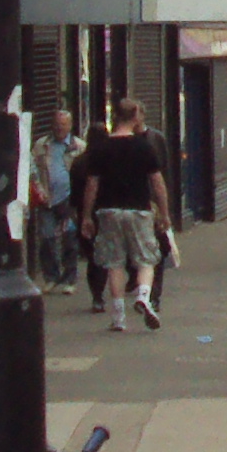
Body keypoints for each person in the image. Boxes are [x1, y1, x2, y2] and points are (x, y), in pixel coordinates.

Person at [80, 101, 173, 333]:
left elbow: (91, 185)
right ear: (133, 117)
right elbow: (157, 183)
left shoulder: (100, 148)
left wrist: (86, 216)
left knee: (115, 263)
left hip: (108, 212)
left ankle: (118, 317)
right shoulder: (144, 147)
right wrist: (164, 213)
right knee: (147, 259)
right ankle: (143, 295)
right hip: (139, 210)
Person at [31, 111, 79, 293]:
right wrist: (38, 190)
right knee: (47, 237)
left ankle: (69, 279)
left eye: (64, 124)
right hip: (47, 199)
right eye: (57, 124)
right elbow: (33, 169)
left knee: (69, 239)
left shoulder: (78, 146)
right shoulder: (42, 145)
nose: (60, 128)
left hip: (68, 199)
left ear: (70, 126)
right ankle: (51, 276)